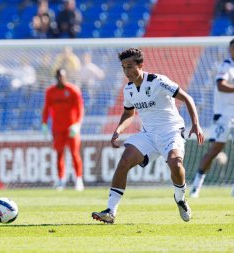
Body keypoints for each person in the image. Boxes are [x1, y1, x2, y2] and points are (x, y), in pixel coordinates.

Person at [91, 48, 204, 224]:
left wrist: (196, 124)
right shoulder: (128, 89)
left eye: (130, 66)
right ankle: (110, 211)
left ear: (140, 65)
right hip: (149, 135)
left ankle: (180, 198)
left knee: (176, 164)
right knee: (124, 161)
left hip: (171, 132)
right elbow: (129, 114)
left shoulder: (158, 81)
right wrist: (118, 130)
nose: (127, 72)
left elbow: (187, 98)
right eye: (123, 68)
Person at [190, 38, 234, 198]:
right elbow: (221, 85)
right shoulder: (226, 66)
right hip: (224, 116)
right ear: (230, 50)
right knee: (215, 150)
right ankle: (196, 186)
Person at [42, 68, 84, 191]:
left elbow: (80, 108)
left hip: (71, 128)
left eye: (63, 76)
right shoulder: (50, 91)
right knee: (59, 154)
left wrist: (77, 124)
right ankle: (61, 180)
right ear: (56, 77)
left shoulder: (73, 90)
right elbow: (46, 108)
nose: (61, 79)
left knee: (74, 153)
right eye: (59, 76)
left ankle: (78, 179)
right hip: (57, 129)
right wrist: (44, 123)